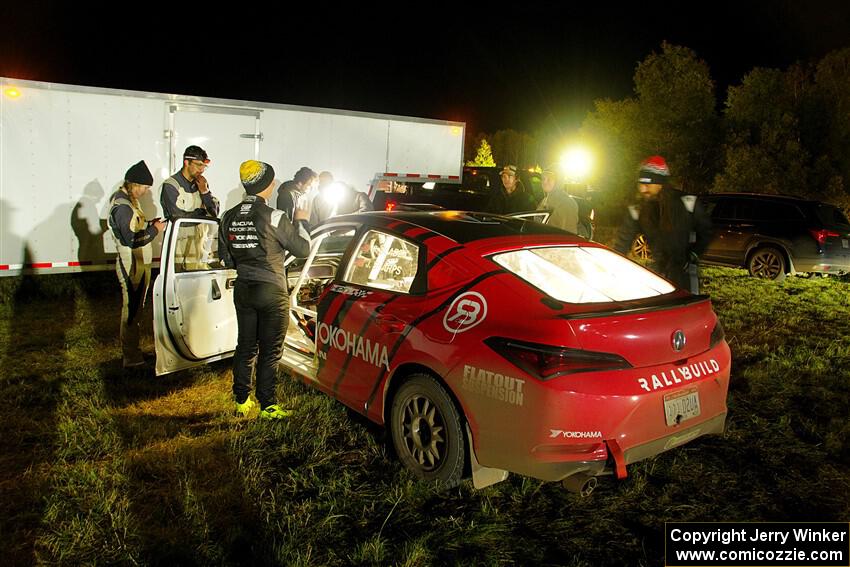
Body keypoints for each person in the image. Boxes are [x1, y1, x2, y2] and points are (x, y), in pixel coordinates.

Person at [219, 160, 312, 420]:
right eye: (272, 181)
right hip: (271, 290)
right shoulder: (274, 216)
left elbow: (225, 258)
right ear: (267, 186)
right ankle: (268, 405)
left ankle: (241, 400)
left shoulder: (228, 215)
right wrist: (302, 222)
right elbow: (303, 250)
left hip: (243, 288)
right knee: (271, 350)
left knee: (246, 346)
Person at [613, 156, 712, 291]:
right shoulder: (638, 210)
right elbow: (622, 243)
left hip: (684, 274)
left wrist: (693, 255)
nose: (643, 189)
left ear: (661, 184)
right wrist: (613, 266)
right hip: (658, 275)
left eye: (648, 184)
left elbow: (706, 231)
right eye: (640, 184)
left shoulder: (688, 203)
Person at [107, 161, 166, 368]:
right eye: (144, 188)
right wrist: (155, 230)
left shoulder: (128, 201)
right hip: (132, 263)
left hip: (138, 262)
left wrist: (150, 224)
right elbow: (131, 239)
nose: (145, 192)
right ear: (133, 184)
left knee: (136, 308)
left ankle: (134, 353)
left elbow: (135, 228)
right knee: (132, 309)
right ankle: (131, 357)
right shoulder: (123, 206)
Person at [160, 145, 219, 220]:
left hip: (200, 232)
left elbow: (214, 213)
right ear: (186, 162)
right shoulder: (171, 185)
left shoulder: (202, 184)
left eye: (204, 166)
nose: (201, 170)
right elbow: (177, 218)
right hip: (180, 232)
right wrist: (201, 213)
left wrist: (205, 192)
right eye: (199, 165)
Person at [538, 168, 579, 233]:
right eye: (543, 179)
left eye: (549, 179)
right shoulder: (544, 200)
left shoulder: (567, 203)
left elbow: (568, 235)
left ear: (558, 181)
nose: (544, 182)